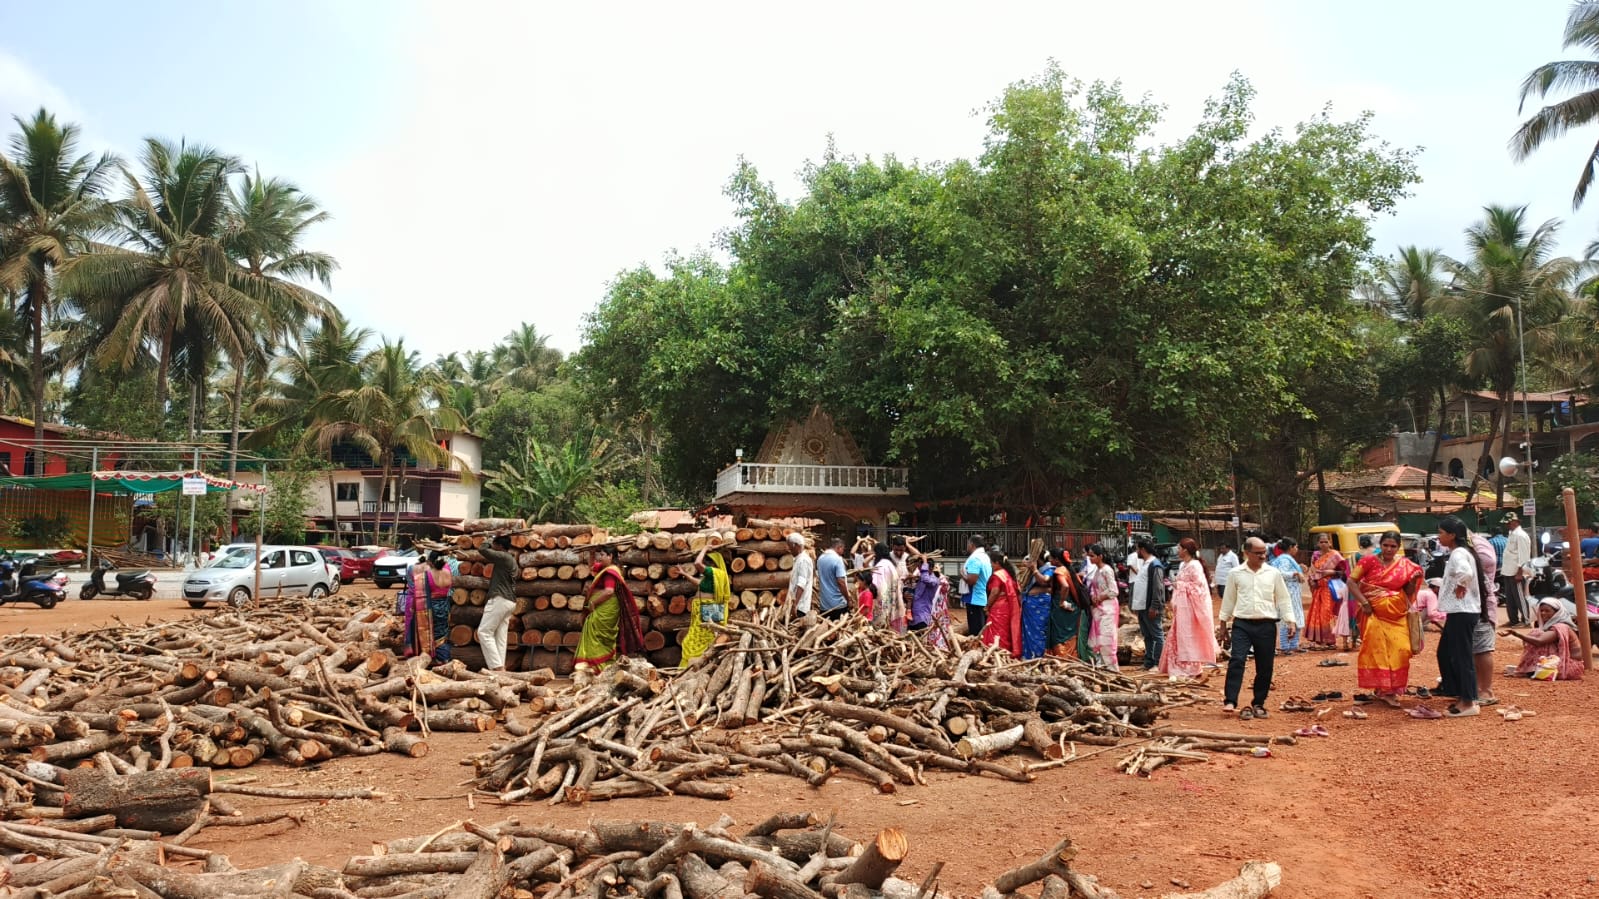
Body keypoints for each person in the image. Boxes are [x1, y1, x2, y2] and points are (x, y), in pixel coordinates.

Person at [1218, 537, 1296, 719]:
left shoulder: (1273, 573)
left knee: (1265, 665)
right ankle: (1230, 700)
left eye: (1264, 553)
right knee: (1237, 659)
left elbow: (1283, 599)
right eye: (1258, 553)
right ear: (1247, 553)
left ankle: (1258, 703)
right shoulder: (1235, 573)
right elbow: (1229, 599)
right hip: (1242, 624)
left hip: (1267, 624)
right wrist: (1223, 624)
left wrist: (1290, 620)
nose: (1263, 556)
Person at [1348, 531, 1422, 706]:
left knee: (1402, 650)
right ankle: (1385, 691)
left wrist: (1413, 581)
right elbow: (1351, 582)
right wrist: (1364, 603)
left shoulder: (1405, 565)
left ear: (1398, 547)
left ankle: (1389, 688)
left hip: (1397, 614)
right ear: (1380, 545)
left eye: (1393, 546)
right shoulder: (1368, 560)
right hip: (1373, 613)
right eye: (1385, 545)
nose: (1389, 549)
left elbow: (1409, 592)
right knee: (1379, 651)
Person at [1434, 516, 1488, 717]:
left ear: (1452, 535)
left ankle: (1469, 701)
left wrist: (1460, 585)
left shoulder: (1458, 554)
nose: (1438, 537)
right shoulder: (1462, 552)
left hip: (1462, 611)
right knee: (1446, 653)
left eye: (1441, 532)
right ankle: (1460, 693)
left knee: (1461, 657)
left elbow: (1465, 573)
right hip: (1461, 611)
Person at [573, 546, 646, 676]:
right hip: (604, 607)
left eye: (602, 555)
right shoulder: (605, 569)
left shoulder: (610, 572)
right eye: (599, 555)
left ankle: (598, 666)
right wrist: (591, 552)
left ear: (610, 556)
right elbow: (592, 567)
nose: (599, 558)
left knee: (597, 632)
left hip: (606, 608)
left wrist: (593, 602)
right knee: (595, 632)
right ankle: (593, 666)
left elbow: (609, 591)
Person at [1160, 537, 1218, 680]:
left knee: (1189, 636)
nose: (1177, 551)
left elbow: (1199, 588)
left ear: (1185, 550)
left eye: (1179, 548)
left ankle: (1192, 667)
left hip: (1191, 609)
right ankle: (1179, 666)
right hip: (1182, 608)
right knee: (1180, 636)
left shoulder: (1194, 566)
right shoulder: (1182, 565)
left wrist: (1179, 585)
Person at [1503, 598, 1585, 680]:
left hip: (1571, 666)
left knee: (1537, 636)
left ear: (1557, 612)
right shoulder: (1549, 626)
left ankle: (1534, 669)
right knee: (1536, 633)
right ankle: (1533, 669)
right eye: (1541, 611)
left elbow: (1539, 642)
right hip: (1563, 664)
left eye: (1547, 611)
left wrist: (1517, 634)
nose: (1543, 613)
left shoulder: (1561, 626)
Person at [476, 535, 520, 671]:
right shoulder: (511, 559)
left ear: (500, 547)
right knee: (500, 636)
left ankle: (496, 667)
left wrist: (489, 538)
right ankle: (501, 667)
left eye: (494, 545)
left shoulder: (503, 556)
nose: (492, 548)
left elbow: (482, 549)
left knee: (483, 632)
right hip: (509, 601)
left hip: (500, 599)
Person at [1468, 528, 1501, 707]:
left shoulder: (1478, 548)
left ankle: (1486, 690)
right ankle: (1479, 688)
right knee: (1475, 650)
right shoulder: (1477, 545)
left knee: (1482, 650)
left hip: (1482, 607)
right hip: (1475, 605)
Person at [402, 552, 454, 664]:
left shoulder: (426, 575)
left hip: (431, 606)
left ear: (430, 562)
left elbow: (419, 592)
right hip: (445, 605)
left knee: (430, 633)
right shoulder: (448, 572)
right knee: (442, 633)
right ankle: (444, 657)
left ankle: (430, 657)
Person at [681, 552, 730, 665]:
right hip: (702, 607)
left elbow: (697, 563)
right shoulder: (710, 576)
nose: (705, 563)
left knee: (706, 635)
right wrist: (684, 574)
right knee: (696, 635)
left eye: (708, 561)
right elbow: (699, 583)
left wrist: (706, 548)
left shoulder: (715, 572)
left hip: (710, 607)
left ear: (714, 563)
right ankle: (692, 662)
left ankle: (702, 661)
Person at [1304, 533, 1349, 650]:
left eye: (1326, 542)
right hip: (1318, 589)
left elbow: (1344, 572)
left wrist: (1331, 572)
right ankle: (1319, 640)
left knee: (1326, 614)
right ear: (1318, 543)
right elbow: (1312, 572)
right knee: (1316, 614)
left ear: (1330, 543)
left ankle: (1330, 640)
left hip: (1330, 588)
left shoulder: (1335, 556)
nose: (1324, 544)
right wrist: (1312, 581)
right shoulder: (1315, 556)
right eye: (1321, 542)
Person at [1085, 543, 1120, 670]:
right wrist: (1094, 597)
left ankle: (1112, 669)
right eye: (1089, 555)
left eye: (1092, 556)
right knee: (1099, 638)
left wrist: (1099, 597)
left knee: (1107, 637)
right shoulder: (1098, 570)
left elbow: (1114, 591)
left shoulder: (1106, 570)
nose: (1090, 558)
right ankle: (1102, 667)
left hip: (1108, 609)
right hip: (1098, 609)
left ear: (1100, 556)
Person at [1131, 539, 1166, 669]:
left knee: (1157, 635)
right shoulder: (1146, 564)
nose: (1136, 552)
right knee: (1147, 636)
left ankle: (1157, 663)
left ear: (1143, 550)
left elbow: (1158, 588)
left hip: (1150, 607)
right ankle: (1148, 662)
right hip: (1142, 606)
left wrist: (1154, 606)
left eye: (1137, 549)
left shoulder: (1155, 565)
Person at [982, 548, 1024, 655]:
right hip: (1007, 608)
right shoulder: (1007, 573)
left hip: (999, 609)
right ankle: (1006, 653)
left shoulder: (997, 575)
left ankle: (995, 653)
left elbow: (995, 592)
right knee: (1005, 632)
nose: (990, 565)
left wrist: (987, 606)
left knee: (996, 632)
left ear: (997, 563)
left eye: (991, 563)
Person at [1269, 538, 1307, 653]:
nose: (1297, 549)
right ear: (1291, 547)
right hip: (1288, 592)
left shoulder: (1283, 559)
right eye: (1296, 547)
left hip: (1291, 592)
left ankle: (1293, 645)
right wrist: (1295, 573)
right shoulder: (1284, 559)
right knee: (1289, 618)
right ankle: (1286, 646)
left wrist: (1300, 569)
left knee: (1295, 617)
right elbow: (1280, 573)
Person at [1047, 548, 1086, 659]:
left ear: (1056, 559)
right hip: (1072, 607)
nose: (1049, 560)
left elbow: (1065, 586)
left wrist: (1061, 601)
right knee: (1070, 634)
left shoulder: (1059, 571)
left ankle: (1062, 658)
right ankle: (1072, 657)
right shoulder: (1069, 569)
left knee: (1059, 635)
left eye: (1051, 558)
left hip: (1062, 609)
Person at [1019, 548, 1056, 659]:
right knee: (1029, 631)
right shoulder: (1031, 570)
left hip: (1041, 606)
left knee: (1039, 631)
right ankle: (1029, 656)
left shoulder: (1048, 569)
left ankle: (1039, 656)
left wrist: (1035, 570)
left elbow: (1045, 581)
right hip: (1030, 606)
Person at [1501, 513, 1533, 627]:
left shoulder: (1521, 535)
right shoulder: (1512, 534)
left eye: (1509, 522)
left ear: (1516, 522)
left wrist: (1520, 572)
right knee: (1510, 598)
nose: (1507, 525)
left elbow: (1524, 556)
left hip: (1516, 572)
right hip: (1508, 571)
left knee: (1520, 597)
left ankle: (1526, 620)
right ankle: (1513, 620)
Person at [962, 535, 993, 638]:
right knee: (981, 630)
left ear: (972, 545)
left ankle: (977, 651)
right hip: (983, 597)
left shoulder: (975, 558)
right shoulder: (985, 556)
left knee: (976, 632)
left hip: (975, 599)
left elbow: (971, 580)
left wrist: (962, 574)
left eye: (967, 544)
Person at [816, 537, 850, 620]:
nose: (843, 552)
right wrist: (848, 599)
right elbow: (841, 582)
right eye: (843, 549)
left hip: (824, 605)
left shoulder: (820, 559)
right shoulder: (837, 559)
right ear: (839, 547)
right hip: (838, 605)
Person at [871, 543, 903, 631]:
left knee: (880, 629)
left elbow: (875, 585)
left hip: (883, 602)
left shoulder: (880, 566)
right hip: (892, 602)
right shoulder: (891, 564)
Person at [785, 532, 816, 622]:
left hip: (800, 607)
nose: (789, 549)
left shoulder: (803, 561)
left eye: (790, 546)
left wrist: (795, 604)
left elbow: (801, 584)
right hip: (797, 605)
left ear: (796, 546)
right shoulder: (799, 559)